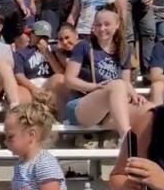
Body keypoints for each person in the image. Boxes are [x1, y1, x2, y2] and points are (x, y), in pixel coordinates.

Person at [63, 7, 149, 135]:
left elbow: (126, 83)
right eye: (98, 25)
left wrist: (135, 95)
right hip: (81, 104)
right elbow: (69, 80)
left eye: (107, 24)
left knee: (149, 108)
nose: (102, 29)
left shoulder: (124, 49)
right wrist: (93, 87)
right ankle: (126, 138)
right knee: (117, 85)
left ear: (117, 25)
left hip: (109, 108)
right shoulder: (84, 46)